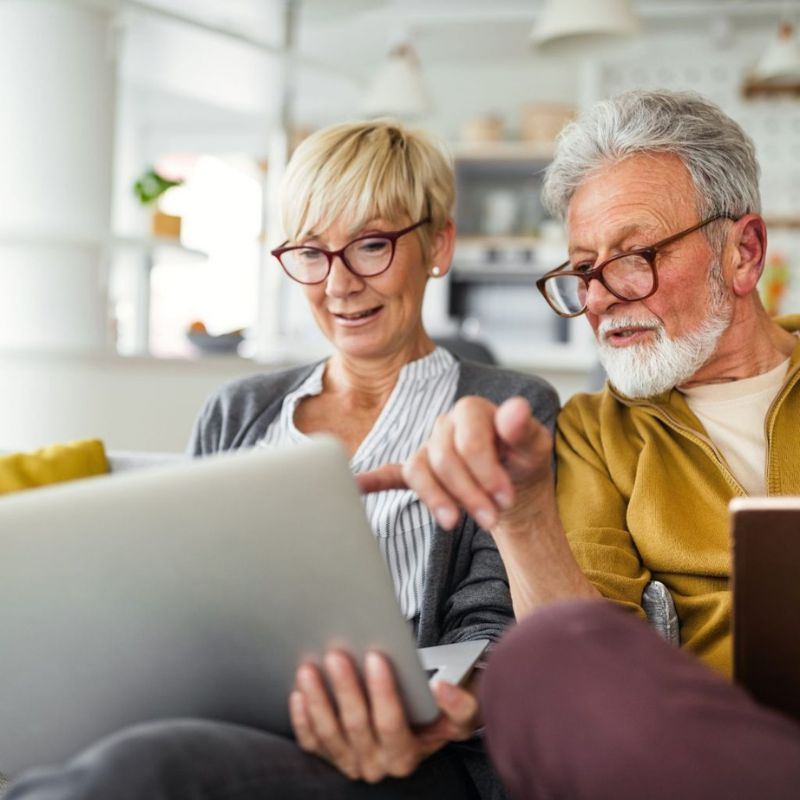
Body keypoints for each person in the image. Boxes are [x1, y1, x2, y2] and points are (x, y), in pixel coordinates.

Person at [6, 120, 558, 800]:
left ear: (437, 244)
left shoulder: (507, 407)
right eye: (311, 253)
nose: (339, 284)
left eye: (372, 246)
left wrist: (441, 703)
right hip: (240, 719)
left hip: (411, 755)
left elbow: (497, 631)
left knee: (149, 769)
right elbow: (183, 590)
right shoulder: (238, 409)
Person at [360, 90, 800, 798]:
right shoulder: (595, 432)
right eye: (583, 269)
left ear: (743, 253)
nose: (597, 298)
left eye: (633, 257)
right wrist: (522, 514)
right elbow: (585, 677)